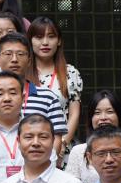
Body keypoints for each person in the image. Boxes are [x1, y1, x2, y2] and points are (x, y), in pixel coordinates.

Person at [0, 34, 68, 154]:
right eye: (8, 54)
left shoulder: (48, 98)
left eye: (20, 54)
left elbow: (56, 137)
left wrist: (46, 162)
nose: (14, 59)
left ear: (29, 61)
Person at [28, 17, 84, 148]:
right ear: (30, 40)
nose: (45, 42)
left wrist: (62, 144)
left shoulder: (70, 72)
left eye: (51, 36)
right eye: (39, 37)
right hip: (29, 146)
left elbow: (74, 114)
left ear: (59, 41)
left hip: (62, 147)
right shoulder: (22, 72)